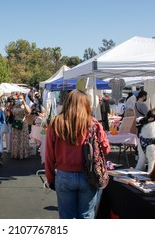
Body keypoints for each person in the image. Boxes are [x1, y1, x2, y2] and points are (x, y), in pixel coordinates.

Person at [45, 89, 110, 219]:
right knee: (86, 216)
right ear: (86, 104)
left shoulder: (56, 123)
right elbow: (106, 149)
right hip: (89, 175)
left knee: (66, 217)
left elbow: (49, 155)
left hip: (64, 175)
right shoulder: (93, 124)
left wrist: (50, 177)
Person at [10, 93, 31, 159]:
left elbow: (29, 112)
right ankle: (16, 154)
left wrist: (24, 104)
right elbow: (11, 113)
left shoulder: (25, 106)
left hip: (23, 123)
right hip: (16, 123)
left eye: (21, 98)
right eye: (18, 98)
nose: (19, 100)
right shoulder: (15, 106)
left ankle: (23, 154)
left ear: (24, 99)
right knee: (16, 139)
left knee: (22, 139)